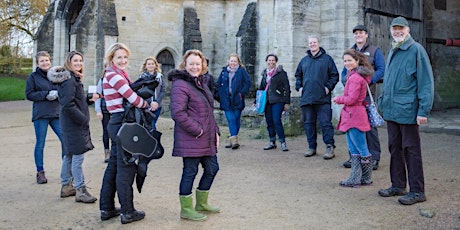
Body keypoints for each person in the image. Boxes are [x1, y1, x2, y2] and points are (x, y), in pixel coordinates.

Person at [377, 16, 434, 205]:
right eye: (394, 29)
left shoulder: (416, 50)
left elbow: (425, 82)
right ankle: (398, 185)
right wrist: (382, 102)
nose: (397, 32)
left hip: (408, 110)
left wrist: (423, 110)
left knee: (411, 150)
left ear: (408, 30)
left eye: (401, 29)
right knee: (394, 148)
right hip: (392, 111)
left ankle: (417, 191)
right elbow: (389, 80)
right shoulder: (393, 50)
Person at [99, 43, 155, 224]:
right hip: (121, 123)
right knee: (126, 167)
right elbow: (132, 98)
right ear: (111, 59)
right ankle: (127, 211)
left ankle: (106, 208)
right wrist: (148, 105)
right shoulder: (115, 76)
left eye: (125, 57)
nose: (123, 61)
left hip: (116, 123)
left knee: (114, 167)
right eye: (119, 58)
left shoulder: (114, 74)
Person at [168, 49, 220, 221]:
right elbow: (178, 113)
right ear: (185, 64)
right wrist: (198, 130)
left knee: (212, 169)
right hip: (192, 138)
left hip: (206, 137)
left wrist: (215, 132)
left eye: (198, 64)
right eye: (191, 63)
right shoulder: (180, 84)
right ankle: (186, 209)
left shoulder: (201, 82)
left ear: (203, 65)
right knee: (190, 172)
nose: (195, 67)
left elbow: (208, 112)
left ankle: (201, 203)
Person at [47, 51, 97, 203]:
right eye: (75, 61)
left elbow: (74, 101)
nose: (79, 63)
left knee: (69, 154)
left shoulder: (73, 79)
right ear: (69, 62)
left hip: (70, 123)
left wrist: (89, 99)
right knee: (77, 157)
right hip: (74, 124)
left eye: (80, 60)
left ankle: (66, 186)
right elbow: (68, 104)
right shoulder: (69, 81)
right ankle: (80, 190)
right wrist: (82, 119)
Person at [341, 25, 385, 170]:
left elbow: (381, 69)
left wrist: (369, 81)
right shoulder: (351, 51)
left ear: (366, 35)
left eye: (361, 33)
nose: (358, 35)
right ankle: (354, 157)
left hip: (367, 94)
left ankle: (374, 158)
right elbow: (344, 71)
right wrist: (345, 81)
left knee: (369, 126)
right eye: (356, 33)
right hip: (352, 95)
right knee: (352, 125)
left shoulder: (374, 51)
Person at [334, 49, 374, 187]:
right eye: (345, 61)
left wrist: (338, 99)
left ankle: (363, 178)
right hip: (352, 115)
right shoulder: (354, 76)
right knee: (354, 149)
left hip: (355, 115)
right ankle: (357, 178)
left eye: (350, 60)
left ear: (357, 61)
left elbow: (352, 99)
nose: (347, 63)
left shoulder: (356, 78)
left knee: (360, 148)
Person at [295, 35, 339, 159]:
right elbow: (298, 76)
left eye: (314, 42)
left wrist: (328, 87)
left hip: (322, 98)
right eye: (310, 43)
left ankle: (330, 147)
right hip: (307, 98)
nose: (312, 44)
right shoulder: (304, 60)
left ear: (319, 43)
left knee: (325, 123)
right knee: (309, 124)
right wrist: (299, 87)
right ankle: (311, 147)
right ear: (308, 45)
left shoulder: (327, 59)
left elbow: (334, 75)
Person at [25, 51, 64, 184]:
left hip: (56, 113)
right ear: (38, 63)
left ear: (50, 61)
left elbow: (63, 89)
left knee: (65, 140)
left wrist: (59, 94)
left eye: (46, 60)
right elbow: (29, 94)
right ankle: (40, 172)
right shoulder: (33, 77)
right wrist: (46, 94)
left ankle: (66, 170)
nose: (45, 63)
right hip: (41, 114)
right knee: (40, 144)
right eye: (42, 61)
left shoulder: (55, 75)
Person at [216, 53, 251, 149]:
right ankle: (234, 140)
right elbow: (218, 84)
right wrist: (221, 95)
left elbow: (248, 82)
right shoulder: (224, 72)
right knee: (231, 119)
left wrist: (241, 93)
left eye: (235, 61)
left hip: (237, 99)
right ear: (228, 62)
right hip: (226, 100)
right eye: (231, 61)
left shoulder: (241, 71)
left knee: (236, 119)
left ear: (238, 62)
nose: (233, 63)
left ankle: (232, 139)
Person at [256, 54, 291, 152]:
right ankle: (272, 141)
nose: (271, 62)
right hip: (267, 101)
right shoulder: (264, 73)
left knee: (276, 120)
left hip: (278, 100)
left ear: (276, 62)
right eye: (269, 60)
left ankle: (282, 142)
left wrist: (287, 101)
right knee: (269, 121)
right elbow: (261, 88)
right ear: (266, 61)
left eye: (273, 60)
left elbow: (287, 87)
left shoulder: (281, 73)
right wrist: (256, 101)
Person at [138, 56, 166, 130]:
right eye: (149, 64)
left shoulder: (160, 77)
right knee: (150, 124)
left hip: (158, 105)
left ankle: (151, 140)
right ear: (146, 66)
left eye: (152, 64)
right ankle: (154, 140)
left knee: (152, 123)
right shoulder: (142, 77)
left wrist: (156, 102)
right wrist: (148, 103)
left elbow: (163, 90)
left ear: (155, 65)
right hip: (146, 105)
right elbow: (139, 91)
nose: (151, 65)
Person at [93, 69, 111, 163]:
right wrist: (98, 110)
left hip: (116, 109)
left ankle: (116, 152)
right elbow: (97, 95)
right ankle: (107, 152)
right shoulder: (102, 80)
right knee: (106, 131)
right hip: (105, 109)